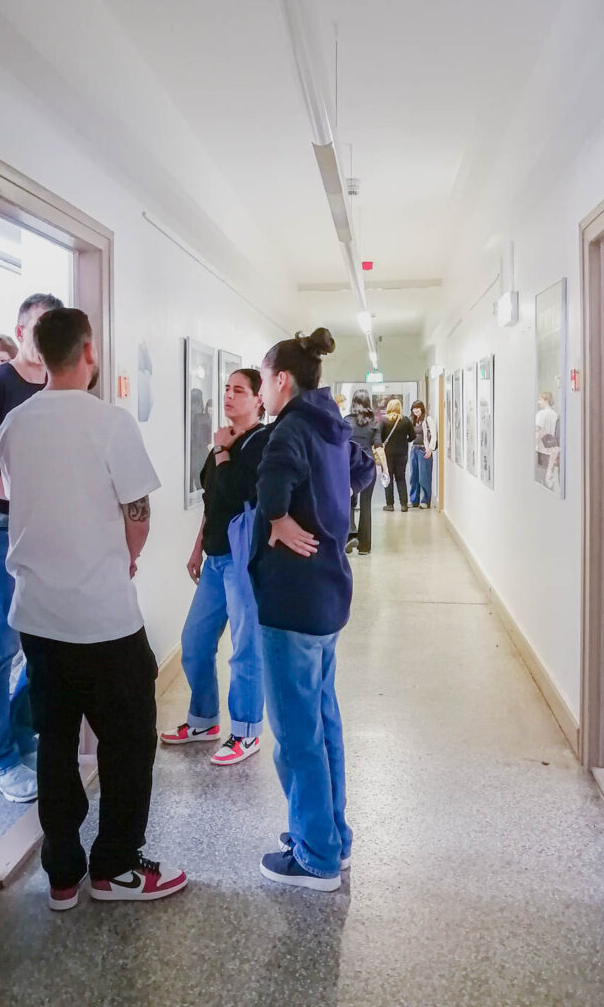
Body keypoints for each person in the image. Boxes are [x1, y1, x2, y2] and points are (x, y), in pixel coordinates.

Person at [0, 307, 186, 910]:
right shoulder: (111, 423)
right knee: (129, 744)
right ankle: (114, 869)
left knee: (54, 741)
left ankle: (61, 875)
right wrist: (127, 558)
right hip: (104, 620)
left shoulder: (14, 426)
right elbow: (139, 513)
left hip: (38, 619)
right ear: (87, 352)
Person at [250, 328, 375, 891]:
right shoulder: (332, 427)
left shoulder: (291, 429)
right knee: (323, 722)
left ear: (282, 380)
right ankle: (332, 836)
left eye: (263, 380)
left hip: (292, 602)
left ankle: (316, 856)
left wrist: (277, 517)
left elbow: (271, 482)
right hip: (327, 598)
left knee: (297, 734)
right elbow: (365, 470)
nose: (261, 393)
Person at [160, 369, 269, 765]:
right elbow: (213, 500)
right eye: (226, 388)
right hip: (215, 558)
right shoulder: (219, 444)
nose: (229, 395)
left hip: (243, 560)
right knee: (195, 641)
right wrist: (197, 547)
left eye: (239, 390)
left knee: (245, 649)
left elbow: (241, 490)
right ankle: (204, 719)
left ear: (258, 399)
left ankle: (246, 731)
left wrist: (223, 450)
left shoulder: (262, 442)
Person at [0, 293, 63, 803]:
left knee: (40, 642)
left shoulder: (58, 389)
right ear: (20, 332)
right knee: (2, 646)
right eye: (38, 328)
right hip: (0, 530)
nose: (44, 338)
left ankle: (21, 731)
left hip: (47, 532)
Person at [344, 389, 384, 556]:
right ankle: (365, 546)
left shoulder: (346, 421)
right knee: (366, 504)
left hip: (348, 466)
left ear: (353, 403)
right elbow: (378, 447)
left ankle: (348, 537)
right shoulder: (374, 422)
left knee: (348, 502)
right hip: (368, 468)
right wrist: (385, 470)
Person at [380, 399, 415, 512]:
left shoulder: (384, 421)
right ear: (400, 407)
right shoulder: (406, 420)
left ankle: (389, 505)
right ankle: (404, 505)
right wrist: (404, 440)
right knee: (401, 478)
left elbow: (379, 437)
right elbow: (413, 436)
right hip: (402, 453)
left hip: (388, 454)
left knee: (388, 478)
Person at [408, 400, 437, 508]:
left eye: (417, 408)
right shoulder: (413, 420)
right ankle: (414, 500)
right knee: (413, 476)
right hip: (414, 450)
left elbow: (434, 435)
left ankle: (425, 500)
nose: (415, 410)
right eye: (414, 408)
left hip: (424, 450)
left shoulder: (428, 419)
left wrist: (430, 449)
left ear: (422, 409)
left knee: (424, 477)